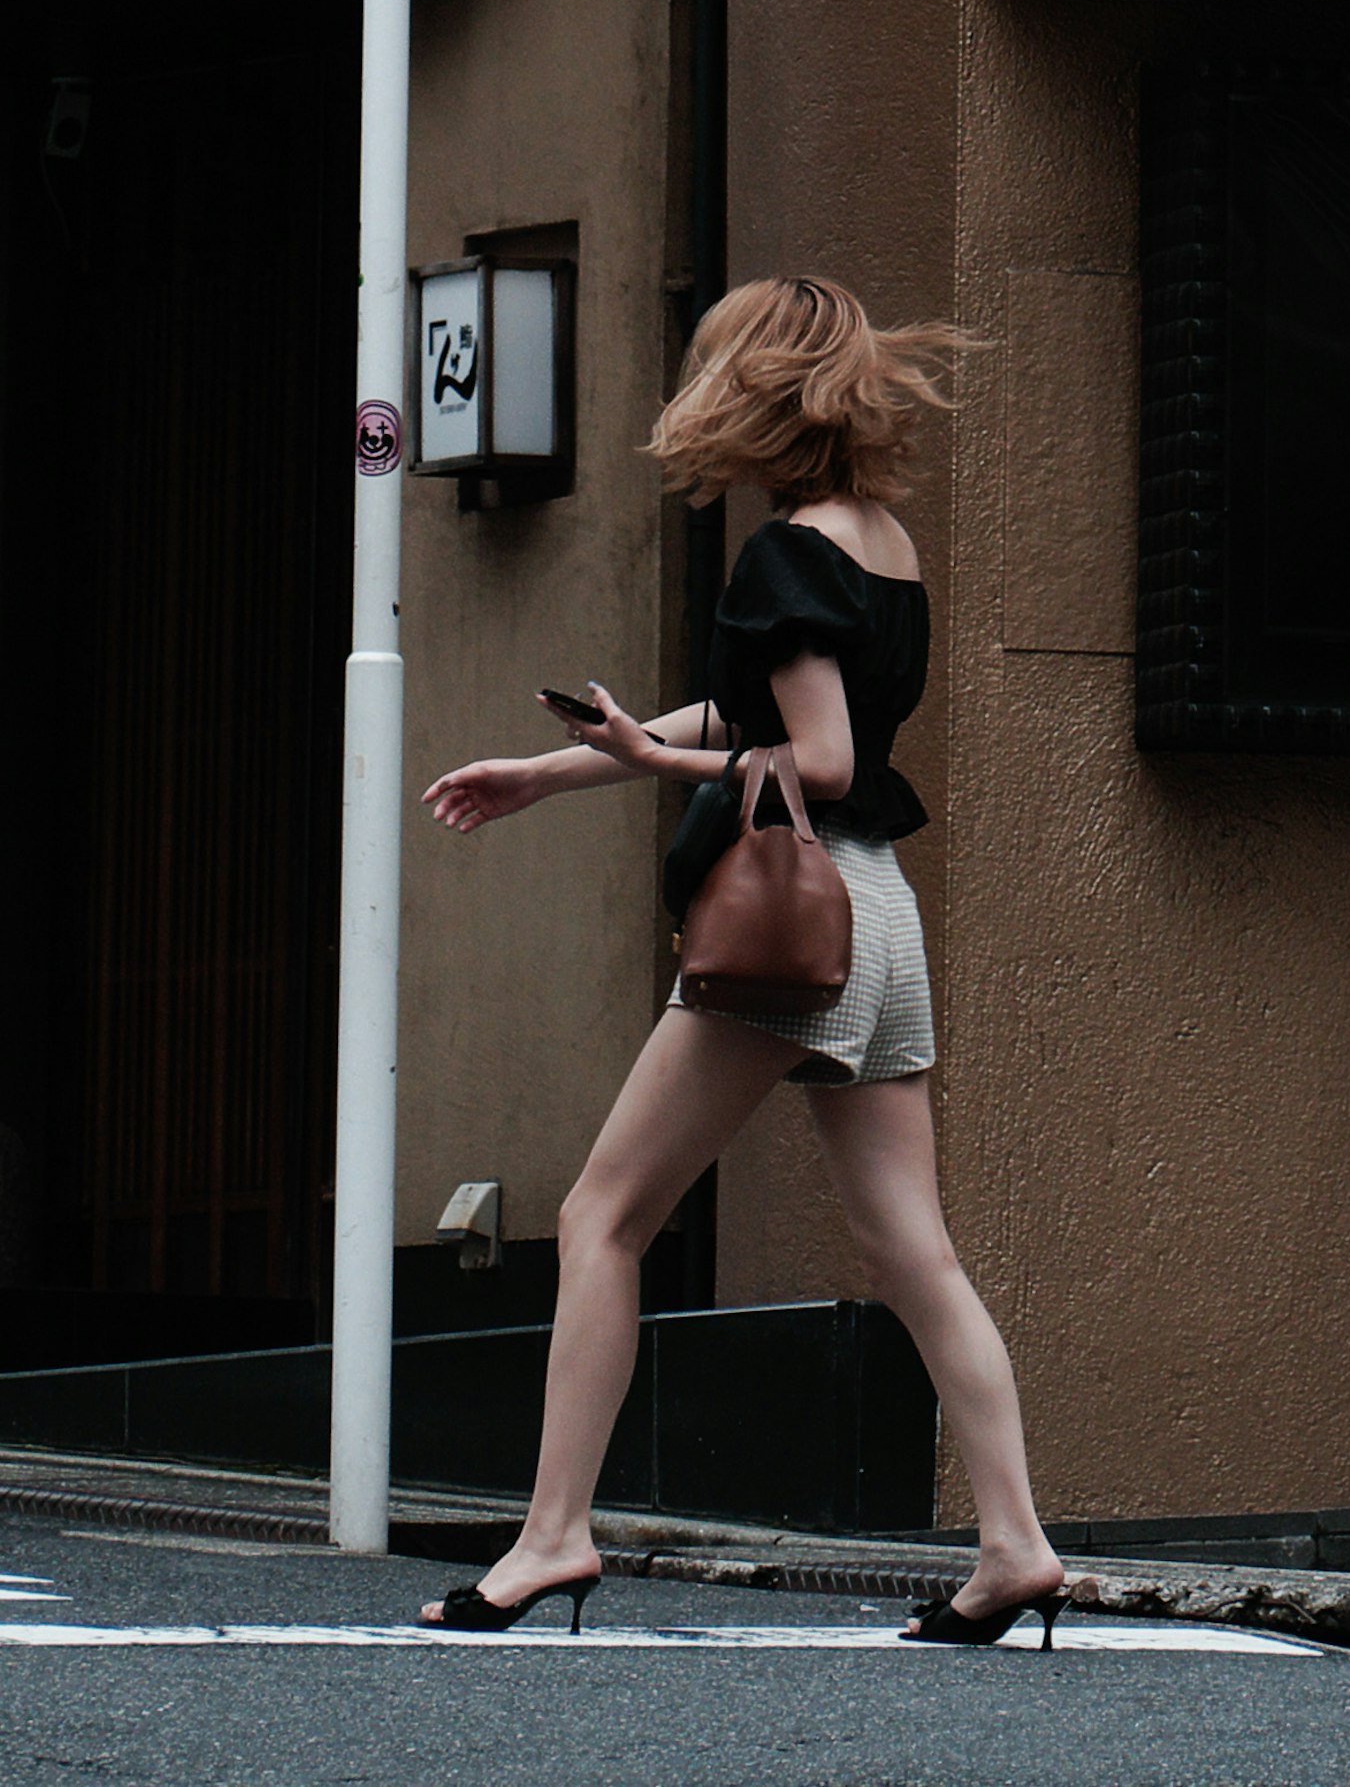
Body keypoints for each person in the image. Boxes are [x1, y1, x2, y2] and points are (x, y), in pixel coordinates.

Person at [416, 273, 1066, 1645]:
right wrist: (558, 766)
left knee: (601, 1214)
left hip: (789, 912)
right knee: (913, 1246)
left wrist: (661, 762)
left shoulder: (780, 552)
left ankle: (551, 1534)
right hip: (875, 907)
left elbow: (815, 757)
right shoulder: (881, 541)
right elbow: (778, 704)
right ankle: (1014, 1539)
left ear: (756, 386)